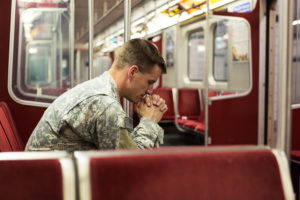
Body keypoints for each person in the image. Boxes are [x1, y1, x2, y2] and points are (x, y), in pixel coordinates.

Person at [25, 38, 167, 151]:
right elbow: (133, 165)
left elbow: (124, 149)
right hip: (47, 183)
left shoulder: (98, 89)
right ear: (132, 72)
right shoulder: (105, 105)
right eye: (150, 82)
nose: (150, 90)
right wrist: (150, 121)